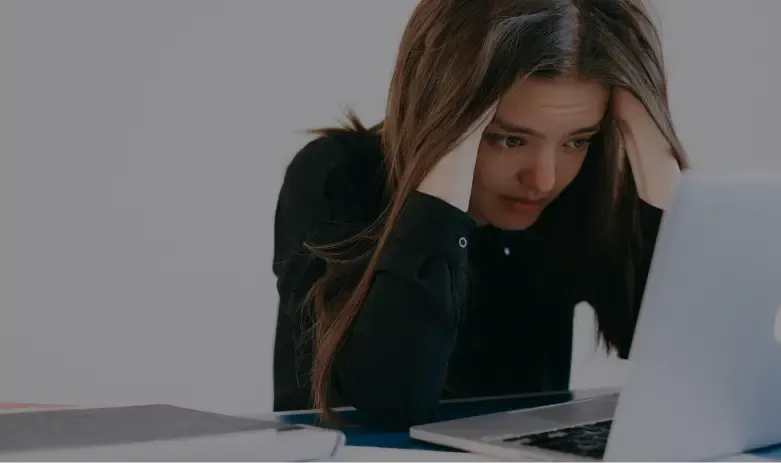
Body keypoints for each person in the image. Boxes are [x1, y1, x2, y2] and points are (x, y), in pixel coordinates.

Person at [272, 0, 688, 430]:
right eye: (509, 140)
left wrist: (655, 152)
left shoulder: (578, 192)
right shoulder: (335, 177)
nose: (543, 179)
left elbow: (688, 362)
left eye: (576, 141)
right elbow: (392, 401)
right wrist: (445, 162)